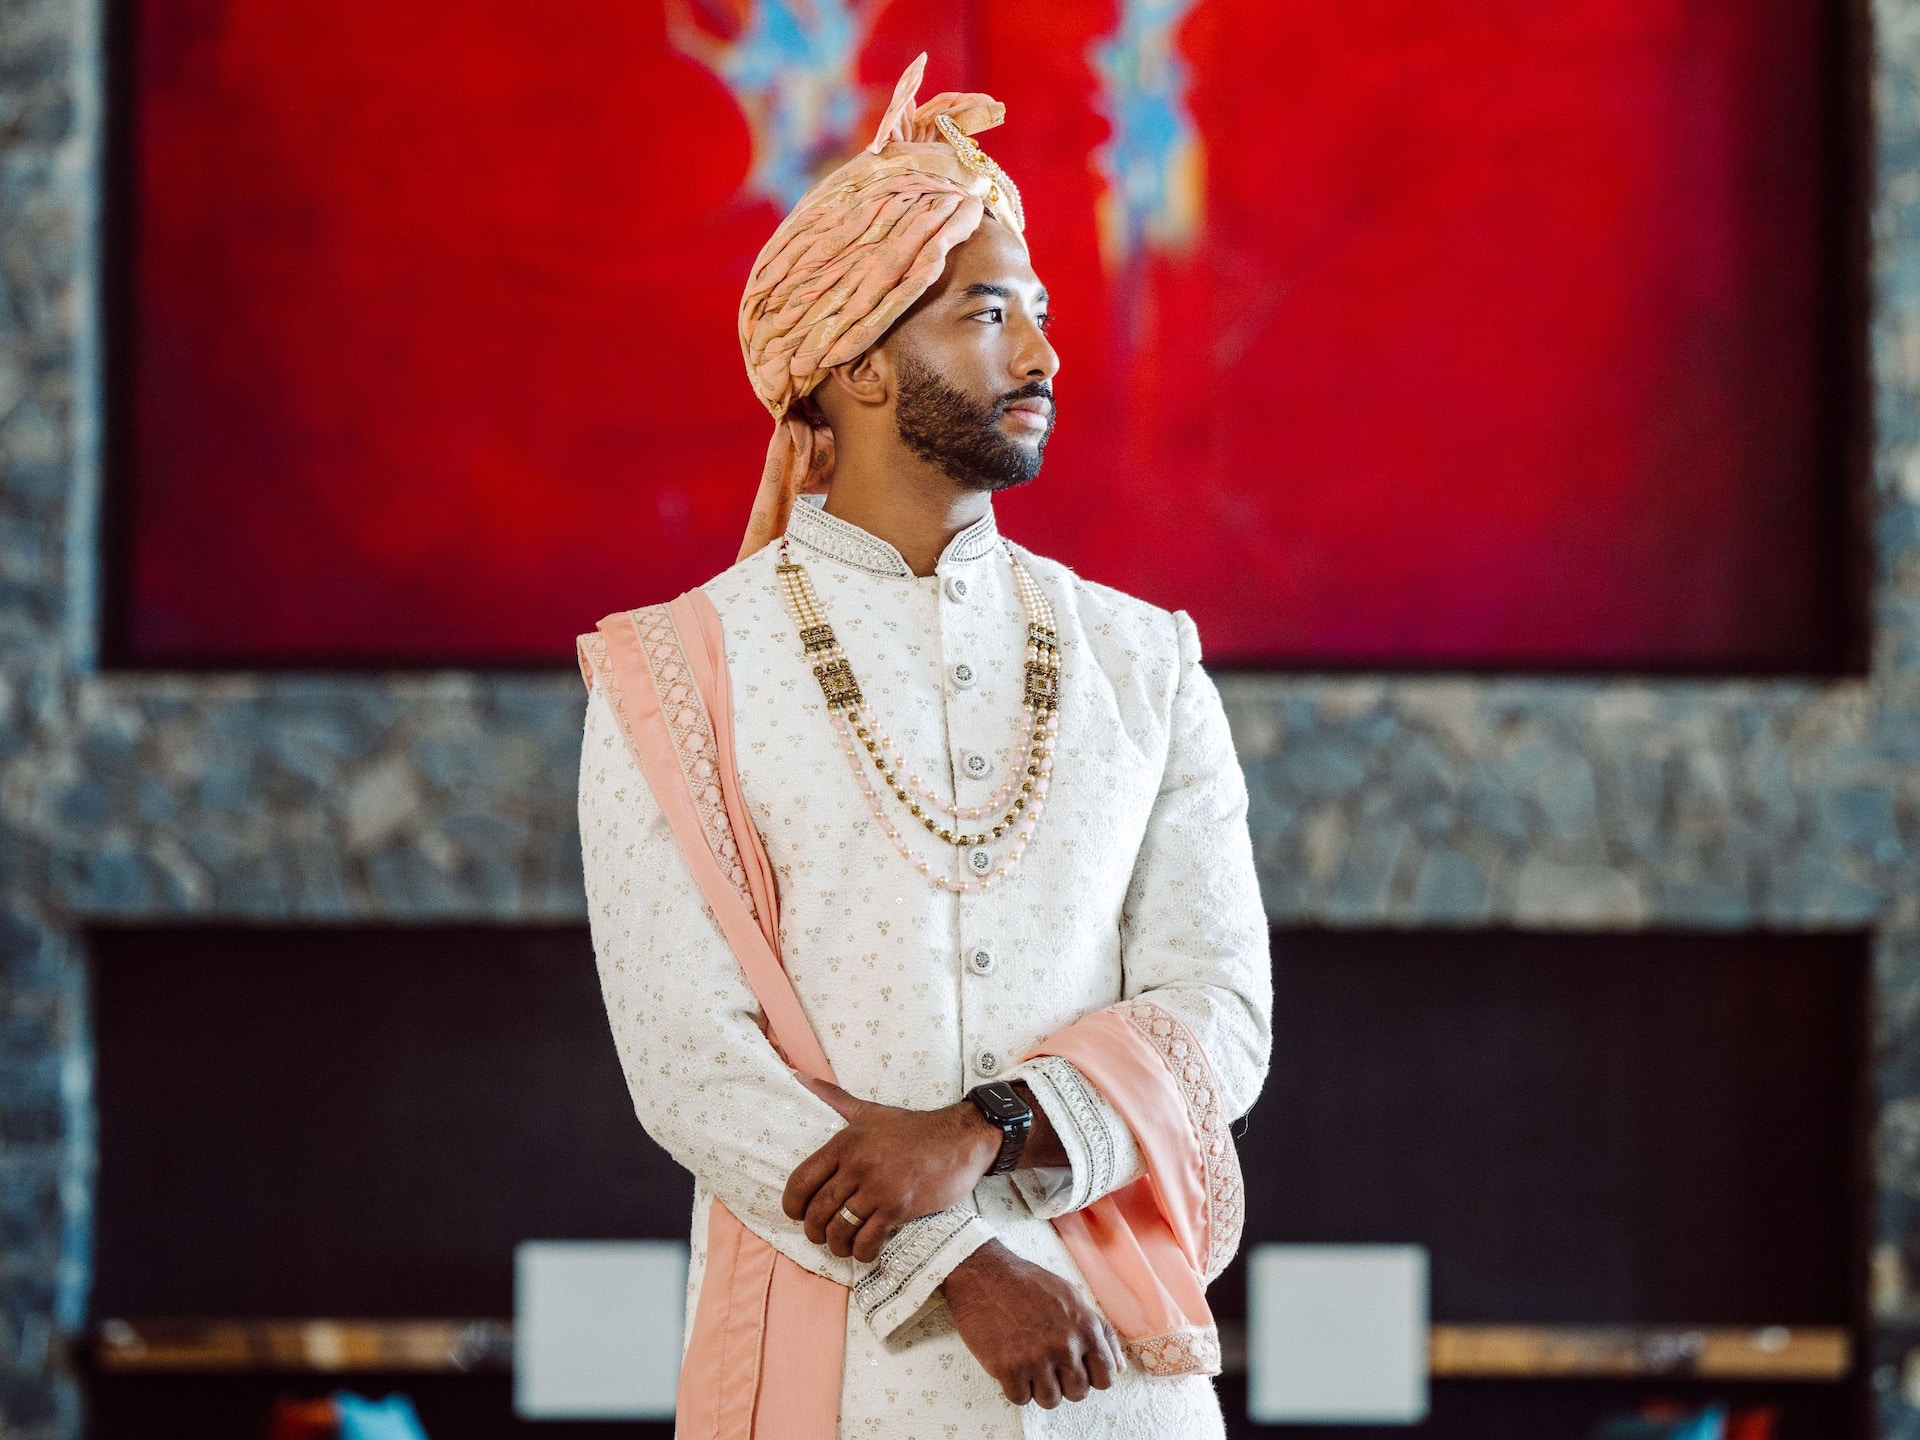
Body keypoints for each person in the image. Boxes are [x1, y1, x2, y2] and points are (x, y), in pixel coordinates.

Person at [577, 55, 1269, 1438]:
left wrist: (985, 1133)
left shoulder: (1146, 661)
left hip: (1119, 1380)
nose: (1042, 357)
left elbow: (1220, 1013)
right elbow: (690, 1062)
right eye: (987, 313)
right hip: (840, 1369)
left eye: (1045, 315)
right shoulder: (673, 672)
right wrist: (962, 1264)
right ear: (858, 362)